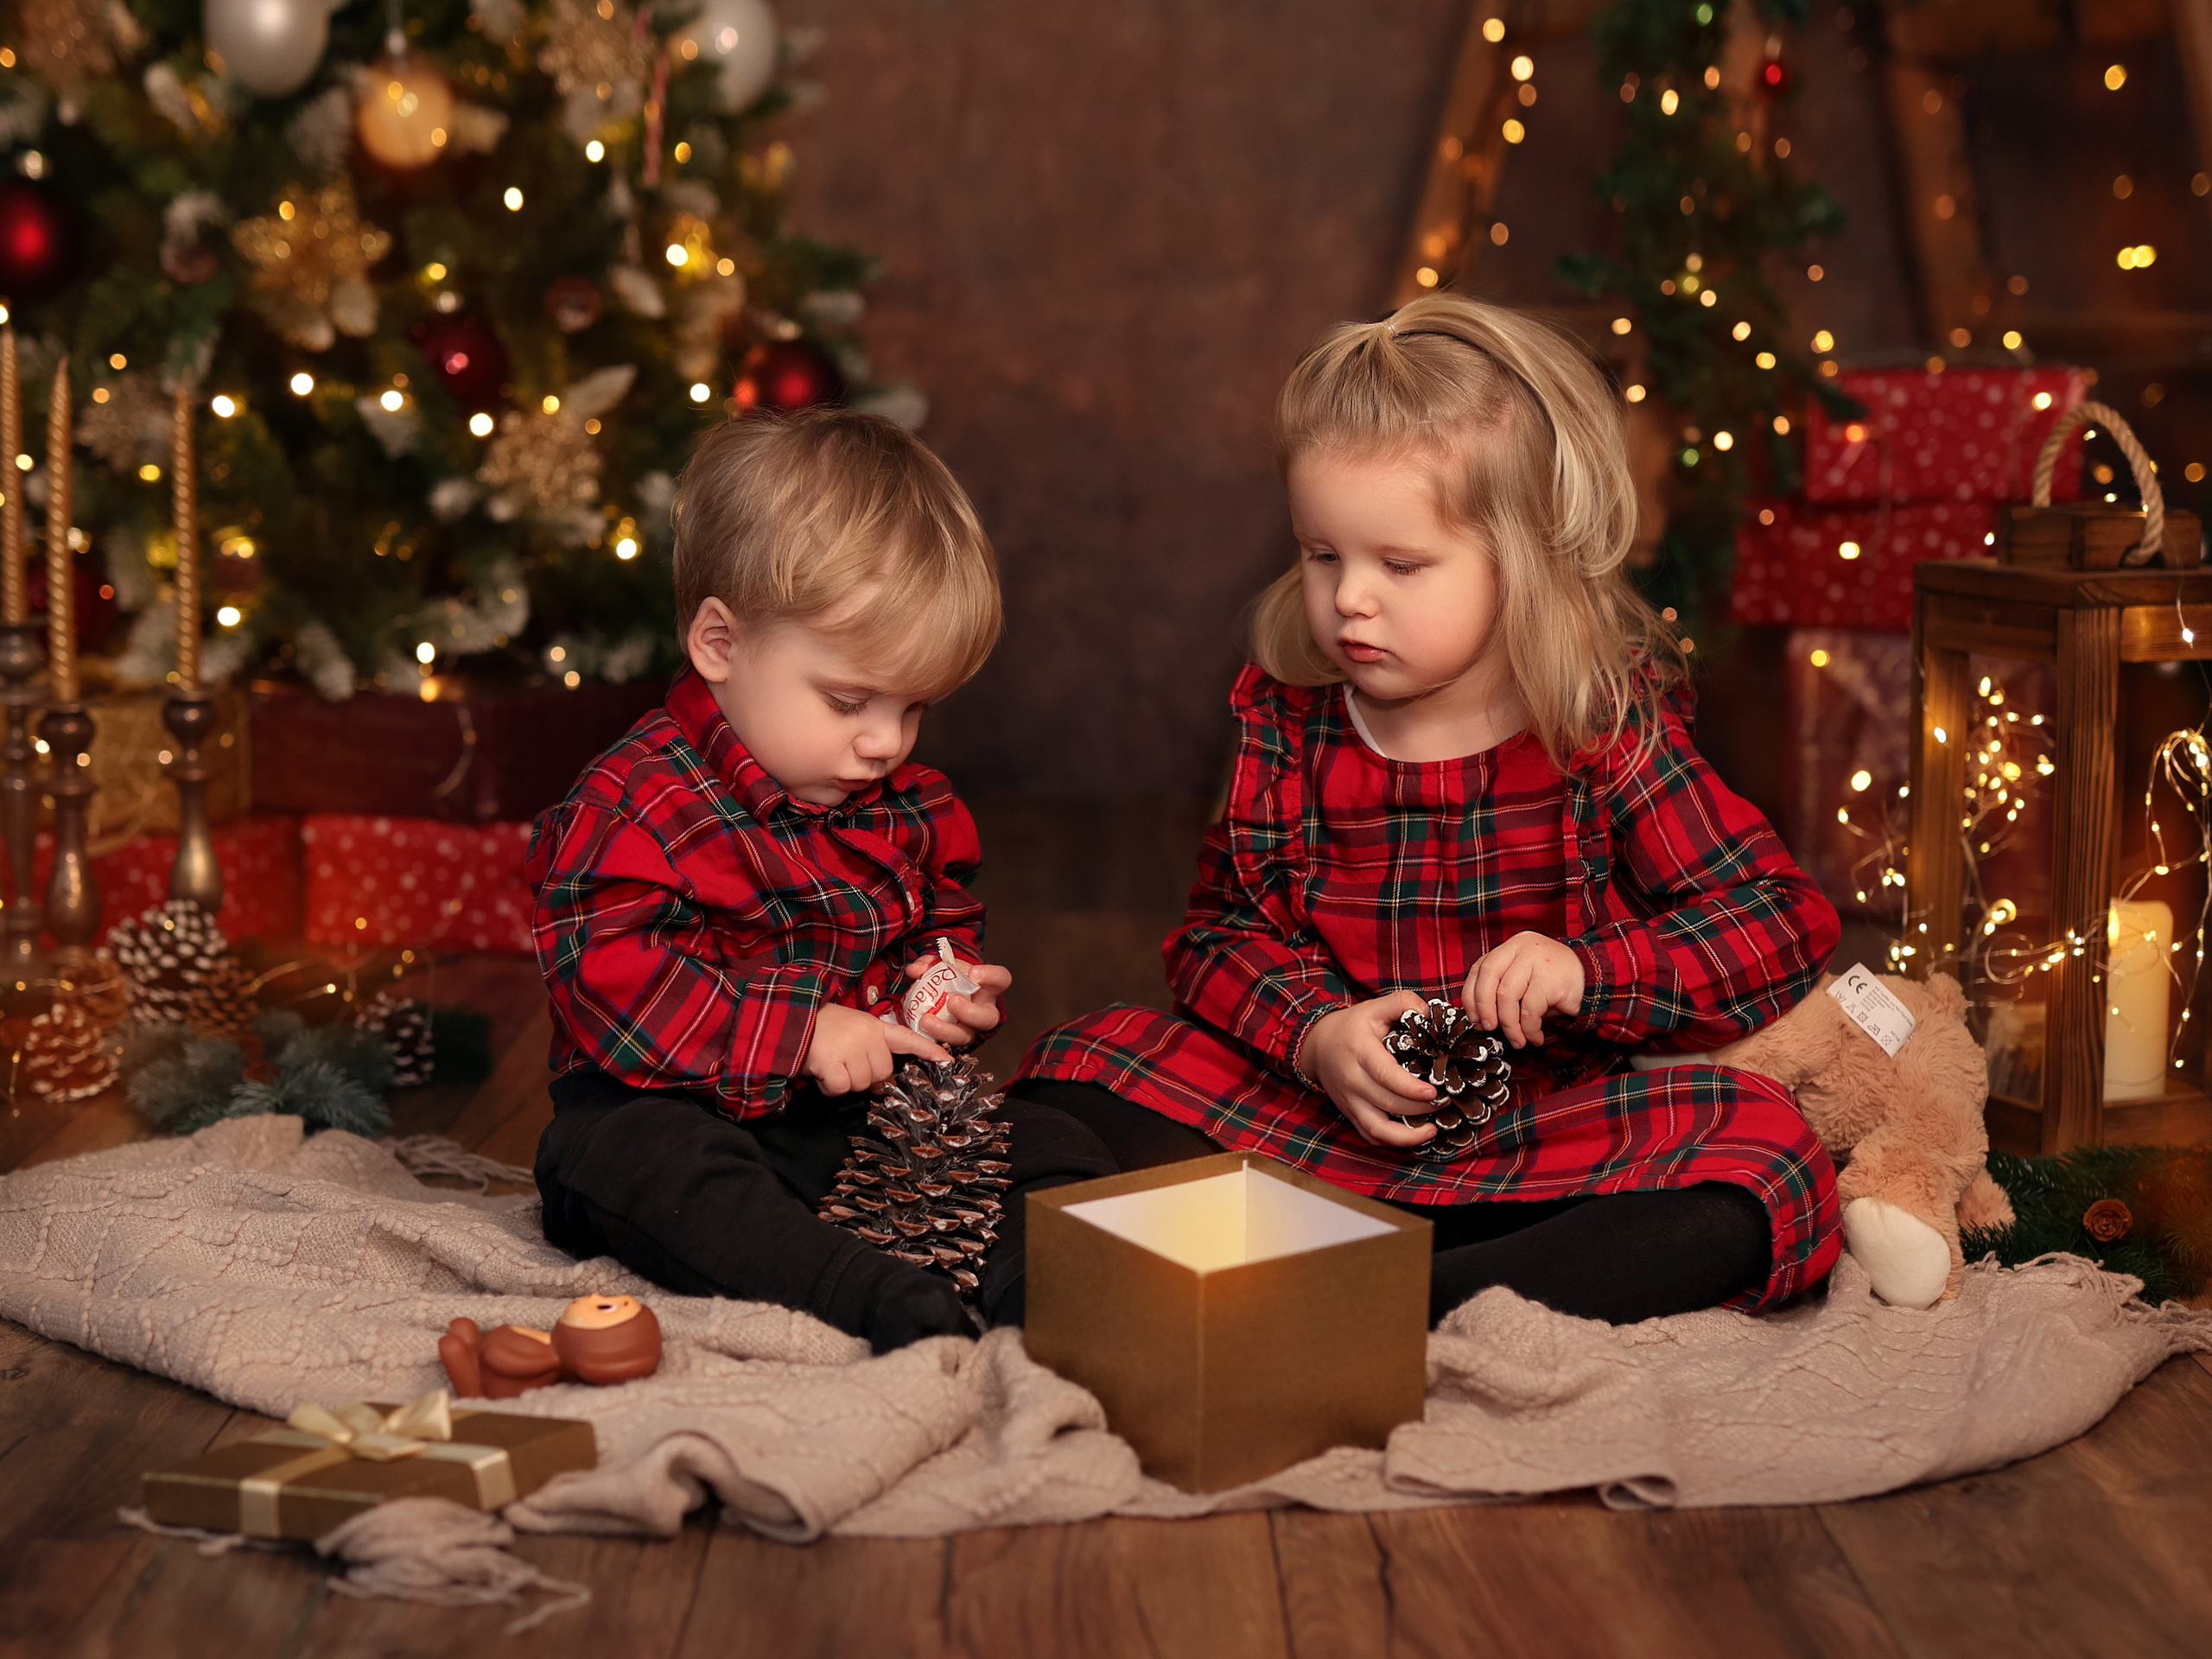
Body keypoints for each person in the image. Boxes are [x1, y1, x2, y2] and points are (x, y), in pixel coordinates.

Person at [1011, 294, 1845, 1325]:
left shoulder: (1598, 726)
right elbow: (1217, 937)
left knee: (1766, 1163)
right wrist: (1317, 1032)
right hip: (1323, 1121)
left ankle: (1393, 1298)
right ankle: (1319, 1266)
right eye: (1323, 555)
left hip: (1543, 1130)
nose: (1351, 597)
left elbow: (1778, 920)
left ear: (1526, 560)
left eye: (1399, 565)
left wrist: (1591, 972)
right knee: (1077, 1072)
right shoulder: (1291, 725)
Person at [526, 409, 1116, 1352]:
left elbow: (935, 916)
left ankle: (1049, 1284)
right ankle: (845, 1288)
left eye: (912, 706)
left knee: (1040, 1138)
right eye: (848, 701)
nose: (884, 741)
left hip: (842, 1113)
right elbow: (613, 987)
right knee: (649, 1171)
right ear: (719, 645)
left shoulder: (899, 800)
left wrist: (937, 985)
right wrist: (799, 1031)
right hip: (666, 1101)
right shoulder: (629, 804)